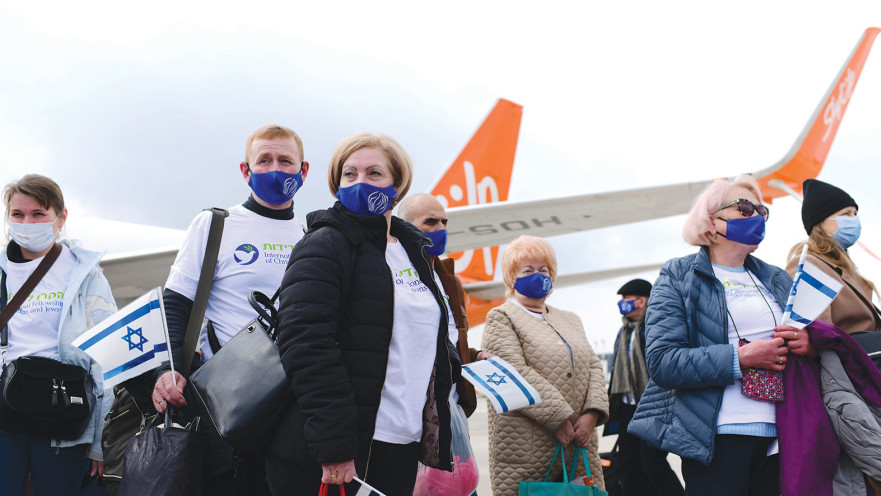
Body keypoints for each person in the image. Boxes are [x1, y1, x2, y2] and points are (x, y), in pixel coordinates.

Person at [265, 132, 459, 496]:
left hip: (401, 441)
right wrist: (335, 447)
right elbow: (305, 345)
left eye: (373, 173)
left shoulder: (412, 251)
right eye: (349, 175)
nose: (360, 182)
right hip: (339, 453)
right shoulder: (325, 243)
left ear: (396, 185)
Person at [627, 175, 814, 496]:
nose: (756, 215)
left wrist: (809, 345)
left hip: (781, 436)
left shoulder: (777, 278)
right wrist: (739, 358)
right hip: (716, 438)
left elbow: (809, 342)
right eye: (744, 207)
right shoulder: (678, 275)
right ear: (710, 219)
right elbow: (662, 362)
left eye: (761, 210)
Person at [150, 124, 309, 495]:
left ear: (303, 172)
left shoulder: (311, 233)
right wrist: (169, 368)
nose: (275, 169)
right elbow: (176, 304)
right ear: (245, 170)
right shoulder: (215, 224)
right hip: (230, 401)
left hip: (295, 399)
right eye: (264, 160)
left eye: (286, 161)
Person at [0, 174, 117, 495]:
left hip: (62, 420)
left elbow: (107, 362)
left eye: (38, 214)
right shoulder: (2, 271)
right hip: (5, 416)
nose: (27, 222)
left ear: (61, 217)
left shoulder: (86, 274)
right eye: (18, 214)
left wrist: (98, 442)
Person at [481, 234, 608, 496]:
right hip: (528, 446)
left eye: (543, 269)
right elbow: (513, 371)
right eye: (527, 270)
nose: (537, 275)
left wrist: (592, 414)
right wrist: (558, 416)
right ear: (511, 277)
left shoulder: (570, 319)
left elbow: (593, 366)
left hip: (579, 441)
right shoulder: (502, 317)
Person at [397, 193, 492, 416]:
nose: (441, 229)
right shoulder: (394, 275)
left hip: (452, 407)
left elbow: (449, 340)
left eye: (444, 222)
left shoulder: (450, 280)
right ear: (403, 227)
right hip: (411, 408)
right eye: (431, 222)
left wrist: (474, 355)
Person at [607, 278, 683, 496]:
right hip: (627, 409)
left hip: (653, 407)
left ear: (641, 301)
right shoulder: (624, 332)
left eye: (626, 299)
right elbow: (616, 372)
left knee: (653, 463)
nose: (622, 303)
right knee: (629, 464)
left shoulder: (655, 329)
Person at [785, 178, 880, 334]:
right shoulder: (809, 264)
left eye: (855, 213)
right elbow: (820, 336)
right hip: (846, 357)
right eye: (846, 214)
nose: (854, 219)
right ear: (819, 222)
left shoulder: (846, 270)